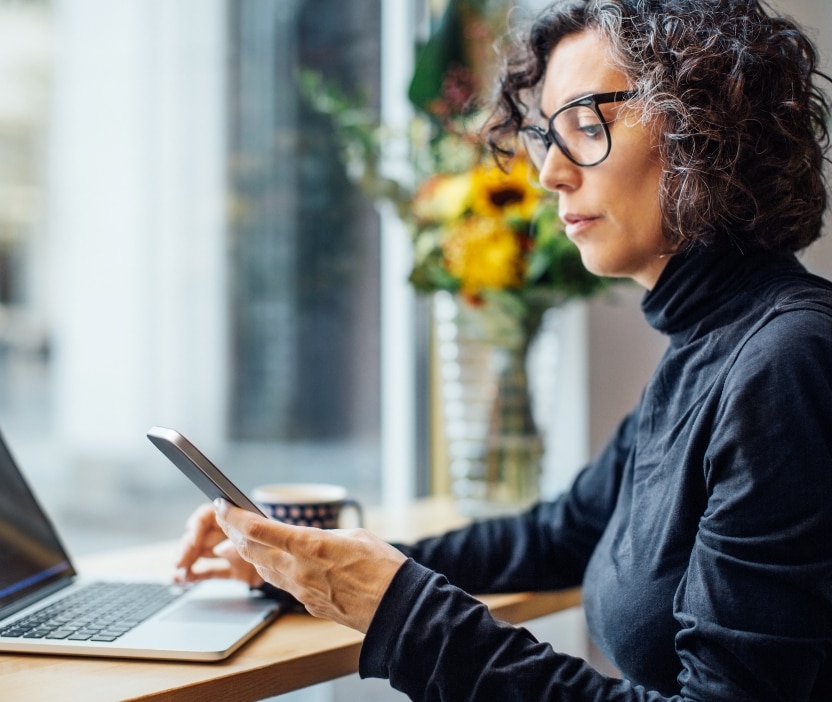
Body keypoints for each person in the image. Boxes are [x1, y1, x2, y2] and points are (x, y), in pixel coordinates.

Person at [175, 0, 832, 699]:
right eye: (550, 135)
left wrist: (400, 610)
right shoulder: (710, 343)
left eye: (587, 125)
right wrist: (315, 566)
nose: (549, 174)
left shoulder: (787, 361)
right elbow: (561, 534)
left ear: (706, 128)